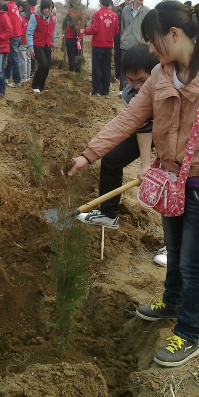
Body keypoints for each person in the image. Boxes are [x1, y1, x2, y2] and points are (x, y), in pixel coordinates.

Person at [68, 0, 199, 367]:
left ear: (174, 34)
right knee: (172, 246)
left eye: (153, 41)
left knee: (194, 263)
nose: (151, 50)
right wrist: (89, 154)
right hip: (172, 179)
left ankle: (189, 332)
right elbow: (131, 117)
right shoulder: (162, 74)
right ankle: (171, 301)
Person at [76, 45, 169, 265]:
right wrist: (145, 165)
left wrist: (151, 166)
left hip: (174, 134)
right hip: (147, 129)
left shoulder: (169, 89)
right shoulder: (130, 93)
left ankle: (175, 246)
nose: (135, 86)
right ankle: (108, 215)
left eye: (141, 81)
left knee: (173, 183)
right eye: (130, 80)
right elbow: (142, 128)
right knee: (112, 158)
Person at [81, 0, 119, 96]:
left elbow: (94, 29)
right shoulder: (115, 16)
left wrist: (84, 31)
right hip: (109, 46)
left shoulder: (97, 14)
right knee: (106, 68)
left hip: (98, 45)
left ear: (100, 2)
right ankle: (105, 91)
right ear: (110, 2)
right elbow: (116, 31)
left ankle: (96, 90)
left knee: (97, 68)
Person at [119, 0, 150, 94]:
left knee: (137, 69)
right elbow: (122, 26)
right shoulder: (125, 10)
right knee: (124, 68)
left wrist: (144, 41)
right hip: (126, 44)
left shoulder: (146, 11)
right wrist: (122, 38)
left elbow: (147, 28)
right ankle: (123, 89)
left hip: (138, 46)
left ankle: (136, 91)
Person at [26, 0, 57, 93]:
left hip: (47, 44)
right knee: (43, 64)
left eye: (48, 8)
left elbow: (54, 29)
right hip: (37, 44)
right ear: (41, 8)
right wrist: (31, 47)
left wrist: (54, 40)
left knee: (47, 66)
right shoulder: (35, 17)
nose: (46, 10)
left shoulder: (54, 16)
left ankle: (41, 86)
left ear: (51, 7)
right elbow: (29, 32)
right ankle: (35, 85)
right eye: (44, 8)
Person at [0, 0, 23, 87]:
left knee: (13, 58)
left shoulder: (6, 7)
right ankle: (6, 77)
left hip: (12, 35)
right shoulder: (14, 5)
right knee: (11, 58)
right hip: (18, 34)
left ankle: (17, 80)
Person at [62, 0, 87, 73]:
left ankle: (71, 72)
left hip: (70, 38)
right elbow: (85, 25)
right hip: (80, 39)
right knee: (78, 56)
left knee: (71, 57)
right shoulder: (82, 15)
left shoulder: (69, 15)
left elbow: (65, 27)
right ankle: (78, 72)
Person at [114, 0, 134, 80]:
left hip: (131, 36)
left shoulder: (135, 9)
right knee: (118, 55)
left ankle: (128, 75)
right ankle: (118, 75)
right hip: (118, 34)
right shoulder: (118, 9)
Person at [17, 1, 32, 84]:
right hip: (29, 41)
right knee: (28, 59)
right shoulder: (30, 18)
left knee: (22, 59)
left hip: (22, 40)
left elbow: (20, 29)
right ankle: (28, 76)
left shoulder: (20, 17)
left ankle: (23, 78)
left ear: (21, 8)